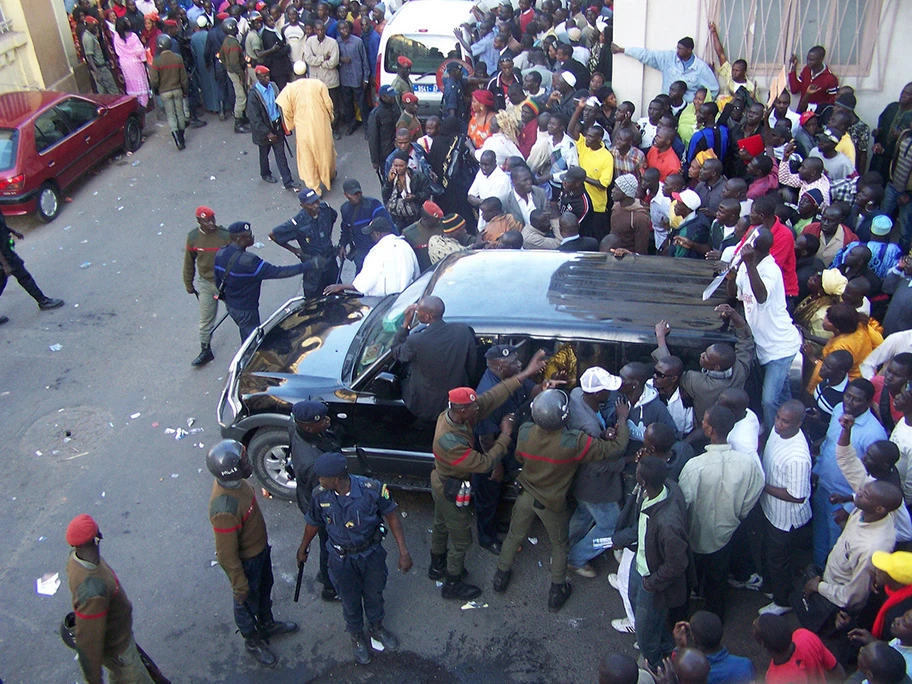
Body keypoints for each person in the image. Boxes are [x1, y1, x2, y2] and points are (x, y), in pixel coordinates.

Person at [494, 388, 629, 612]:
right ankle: (556, 592)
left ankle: (500, 577)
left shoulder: (526, 430)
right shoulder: (574, 441)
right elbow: (615, 448)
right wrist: (622, 420)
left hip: (526, 495)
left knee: (513, 536)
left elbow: (519, 457)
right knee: (560, 546)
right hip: (551, 503)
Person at [431, 352, 547, 600]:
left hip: (440, 482)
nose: (478, 409)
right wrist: (505, 434)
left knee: (441, 525)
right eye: (473, 408)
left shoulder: (457, 415)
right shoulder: (450, 441)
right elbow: (484, 463)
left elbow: (494, 396)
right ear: (462, 412)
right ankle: (452, 583)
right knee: (461, 540)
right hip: (451, 487)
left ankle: (436, 565)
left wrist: (526, 373)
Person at [296, 452, 411, 665]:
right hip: (341, 558)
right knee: (349, 599)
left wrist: (403, 552)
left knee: (374, 593)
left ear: (335, 479)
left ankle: (376, 627)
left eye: (322, 477)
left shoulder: (372, 490)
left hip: (371, 554)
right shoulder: (319, 495)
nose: (319, 481)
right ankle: (356, 635)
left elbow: (392, 517)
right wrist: (303, 547)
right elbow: (313, 522)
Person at [797, 414, 901, 627]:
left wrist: (818, 588)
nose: (857, 495)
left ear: (880, 508)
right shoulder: (871, 503)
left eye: (863, 496)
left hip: (837, 604)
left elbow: (853, 596)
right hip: (831, 576)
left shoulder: (873, 547)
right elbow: (847, 459)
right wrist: (846, 430)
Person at [206, 440, 298, 667]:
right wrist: (239, 584)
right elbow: (226, 554)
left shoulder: (238, 484)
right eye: (244, 461)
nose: (248, 464)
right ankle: (252, 640)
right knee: (246, 602)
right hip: (247, 563)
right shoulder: (225, 507)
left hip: (260, 552)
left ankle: (267, 623)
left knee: (265, 589)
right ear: (231, 469)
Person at [679, 405, 764, 621]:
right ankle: (715, 617)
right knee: (718, 577)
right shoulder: (747, 464)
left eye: (704, 422)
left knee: (692, 572)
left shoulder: (694, 466)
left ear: (709, 430)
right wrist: (739, 515)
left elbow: (683, 503)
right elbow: (755, 491)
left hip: (696, 534)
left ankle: (689, 605)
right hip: (726, 532)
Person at [616, 455, 691, 668]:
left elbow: (677, 564)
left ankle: (659, 667)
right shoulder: (659, 488)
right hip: (639, 565)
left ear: (643, 482)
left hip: (651, 577)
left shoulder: (668, 523)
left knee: (646, 639)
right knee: (634, 600)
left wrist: (652, 582)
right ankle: (668, 646)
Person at [65, 514, 157, 684]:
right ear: (96, 538)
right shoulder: (94, 590)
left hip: (119, 640)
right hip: (119, 651)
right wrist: (94, 680)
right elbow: (89, 643)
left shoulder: (76, 561)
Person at [727, 227, 802, 429]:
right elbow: (737, 295)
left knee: (769, 401)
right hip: (761, 344)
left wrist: (750, 264)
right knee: (782, 395)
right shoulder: (745, 267)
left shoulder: (771, 270)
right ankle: (797, 427)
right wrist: (732, 277)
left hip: (779, 346)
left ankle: (774, 438)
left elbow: (761, 297)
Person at [812, 378, 888, 566]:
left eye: (856, 399)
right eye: (848, 395)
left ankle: (828, 583)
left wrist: (849, 507)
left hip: (845, 498)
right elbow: (829, 444)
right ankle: (816, 570)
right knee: (819, 536)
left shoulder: (873, 433)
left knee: (836, 546)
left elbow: (873, 479)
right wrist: (816, 470)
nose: (849, 402)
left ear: (869, 402)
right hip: (823, 488)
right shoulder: (839, 409)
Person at [564, 367, 626, 577]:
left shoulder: (576, 394)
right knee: (610, 525)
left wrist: (604, 435)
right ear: (598, 394)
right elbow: (598, 465)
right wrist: (624, 463)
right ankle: (576, 558)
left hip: (578, 478)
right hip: (594, 484)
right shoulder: (589, 426)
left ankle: (566, 545)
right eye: (609, 390)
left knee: (583, 512)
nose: (612, 393)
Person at [756, 400, 812, 617]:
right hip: (771, 510)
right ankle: (771, 588)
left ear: (798, 423)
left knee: (779, 561)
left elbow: (797, 496)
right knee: (770, 555)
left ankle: (783, 600)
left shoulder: (797, 457)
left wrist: (763, 485)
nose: (779, 423)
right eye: (778, 417)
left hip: (785, 518)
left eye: (785, 421)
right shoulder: (778, 432)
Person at [214, 220, 316, 340]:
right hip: (246, 309)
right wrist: (309, 265)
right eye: (249, 235)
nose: (252, 237)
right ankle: (250, 356)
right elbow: (279, 272)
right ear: (238, 239)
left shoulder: (221, 253)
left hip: (231, 305)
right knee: (252, 340)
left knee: (246, 329)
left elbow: (218, 280)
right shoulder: (249, 262)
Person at [654, 304, 753, 425]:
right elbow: (746, 339)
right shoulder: (741, 369)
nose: (701, 354)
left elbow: (668, 368)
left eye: (706, 357)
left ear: (716, 367)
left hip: (702, 426)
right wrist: (733, 314)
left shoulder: (696, 381)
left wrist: (660, 336)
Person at [391, 295, 476, 422]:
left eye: (418, 311)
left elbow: (397, 352)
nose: (416, 312)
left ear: (427, 317)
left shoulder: (416, 340)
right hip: (458, 398)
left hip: (427, 404)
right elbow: (471, 363)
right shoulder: (463, 330)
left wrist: (406, 323)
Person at [287, 401, 340, 602]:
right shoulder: (312, 464)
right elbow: (322, 494)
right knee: (331, 544)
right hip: (321, 506)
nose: (328, 420)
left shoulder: (295, 426)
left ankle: (325, 573)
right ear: (308, 427)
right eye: (322, 420)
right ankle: (329, 586)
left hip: (309, 495)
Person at [276, 62, 337, 195]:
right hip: (321, 126)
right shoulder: (318, 84)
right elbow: (329, 105)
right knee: (326, 152)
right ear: (307, 72)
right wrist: (330, 118)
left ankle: (315, 189)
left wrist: (291, 123)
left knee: (307, 157)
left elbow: (286, 110)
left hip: (303, 129)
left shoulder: (290, 89)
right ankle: (328, 175)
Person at [269, 187, 339, 298]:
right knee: (314, 299)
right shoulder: (298, 223)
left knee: (337, 291)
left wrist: (327, 237)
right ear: (303, 206)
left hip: (330, 262)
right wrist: (295, 251)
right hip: (314, 267)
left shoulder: (325, 209)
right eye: (311, 204)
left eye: (316, 201)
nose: (316, 206)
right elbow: (273, 235)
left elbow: (333, 217)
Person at [324, 216, 418, 297]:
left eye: (372, 233)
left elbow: (364, 284)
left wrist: (340, 286)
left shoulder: (377, 253)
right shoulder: (406, 246)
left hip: (385, 304)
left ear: (378, 233)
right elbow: (417, 274)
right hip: (407, 299)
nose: (371, 236)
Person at [183, 205, 230, 367]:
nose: (211, 223)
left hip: (224, 282)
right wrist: (188, 283)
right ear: (199, 222)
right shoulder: (193, 237)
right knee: (205, 319)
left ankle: (252, 339)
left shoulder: (225, 236)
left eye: (212, 219)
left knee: (238, 312)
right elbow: (189, 262)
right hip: (205, 283)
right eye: (207, 221)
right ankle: (205, 350)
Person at [611, 36, 719, 101]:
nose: (678, 51)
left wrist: (699, 106)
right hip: (667, 105)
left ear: (689, 50)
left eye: (681, 49)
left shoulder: (700, 67)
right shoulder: (668, 58)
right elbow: (647, 55)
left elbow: (713, 89)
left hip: (687, 110)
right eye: (677, 47)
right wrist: (622, 50)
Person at [0, 215, 63, 324]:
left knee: (2, 280)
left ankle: (42, 300)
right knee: (23, 276)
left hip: (5, 253)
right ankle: (42, 301)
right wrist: (8, 259)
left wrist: (12, 232)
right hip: (4, 256)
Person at [753, 614, 845, 683]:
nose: (753, 623)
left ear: (763, 643)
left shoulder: (775, 678)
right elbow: (837, 671)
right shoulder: (805, 636)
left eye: (755, 628)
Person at [246, 65, 297, 189]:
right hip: (263, 130)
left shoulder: (273, 87)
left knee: (281, 155)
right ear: (258, 77)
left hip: (277, 125)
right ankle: (265, 173)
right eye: (264, 76)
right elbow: (254, 118)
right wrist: (267, 133)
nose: (267, 78)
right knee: (264, 153)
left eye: (268, 75)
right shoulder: (254, 95)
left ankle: (288, 180)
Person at [672, 610, 755, 684]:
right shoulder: (745, 665)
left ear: (695, 639)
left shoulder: (694, 674)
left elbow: (680, 672)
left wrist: (679, 649)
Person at [338, 179, 394, 273]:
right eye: (353, 194)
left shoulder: (373, 204)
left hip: (377, 249)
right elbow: (345, 230)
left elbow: (387, 225)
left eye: (358, 193)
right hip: (360, 252)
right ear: (346, 195)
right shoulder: (345, 209)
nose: (357, 196)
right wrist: (342, 245)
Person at [149, 34, 189, 150]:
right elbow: (184, 78)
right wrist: (185, 90)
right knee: (180, 113)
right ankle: (181, 137)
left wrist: (156, 90)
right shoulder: (178, 58)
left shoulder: (156, 61)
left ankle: (177, 140)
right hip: (177, 89)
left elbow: (154, 80)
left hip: (164, 91)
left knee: (171, 115)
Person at [303, 20, 341, 139]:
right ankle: (322, 129)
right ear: (314, 30)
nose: (320, 32)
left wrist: (318, 62)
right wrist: (323, 59)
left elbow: (333, 62)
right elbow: (308, 59)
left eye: (322, 29)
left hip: (330, 81)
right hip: (315, 81)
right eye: (318, 30)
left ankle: (335, 129)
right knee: (318, 107)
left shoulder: (332, 42)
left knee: (333, 107)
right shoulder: (309, 41)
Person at [382, 150, 432, 231]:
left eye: (401, 166)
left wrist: (415, 197)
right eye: (396, 165)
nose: (398, 168)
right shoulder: (392, 176)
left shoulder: (418, 176)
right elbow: (385, 195)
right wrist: (389, 182)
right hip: (398, 218)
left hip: (415, 217)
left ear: (407, 164)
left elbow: (427, 193)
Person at [336, 20, 369, 136]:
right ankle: (351, 124)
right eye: (342, 29)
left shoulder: (357, 42)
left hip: (357, 78)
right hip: (344, 78)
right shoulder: (337, 42)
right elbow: (334, 58)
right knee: (347, 104)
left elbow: (364, 60)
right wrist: (341, 59)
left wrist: (366, 78)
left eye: (346, 28)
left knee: (362, 104)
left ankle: (367, 127)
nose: (344, 31)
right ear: (339, 30)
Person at [219, 18, 250, 134]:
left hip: (231, 71)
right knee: (241, 97)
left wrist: (227, 66)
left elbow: (221, 55)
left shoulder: (226, 41)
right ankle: (238, 122)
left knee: (241, 94)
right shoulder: (233, 44)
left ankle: (242, 117)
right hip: (236, 72)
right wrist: (241, 74)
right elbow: (234, 62)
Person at [788, 45, 839, 114]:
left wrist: (817, 108)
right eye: (807, 59)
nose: (808, 62)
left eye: (811, 60)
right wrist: (793, 67)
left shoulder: (830, 79)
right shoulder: (806, 70)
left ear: (821, 59)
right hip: (802, 111)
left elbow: (833, 101)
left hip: (817, 116)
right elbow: (795, 89)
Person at [113, 17, 150, 109]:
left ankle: (135, 105)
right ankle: (143, 106)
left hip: (124, 64)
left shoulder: (116, 37)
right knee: (140, 86)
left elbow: (117, 51)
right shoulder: (133, 36)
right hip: (135, 64)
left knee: (131, 85)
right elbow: (139, 50)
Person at [82, 16, 120, 95]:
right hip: (100, 68)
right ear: (88, 25)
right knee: (113, 89)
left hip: (99, 68)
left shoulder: (89, 35)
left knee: (103, 92)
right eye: (93, 26)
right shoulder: (89, 38)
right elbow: (89, 57)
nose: (95, 28)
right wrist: (97, 72)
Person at [368, 85, 400, 177]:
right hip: (385, 155)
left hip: (396, 149)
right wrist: (375, 161)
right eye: (391, 96)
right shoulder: (376, 114)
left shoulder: (394, 106)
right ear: (383, 97)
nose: (393, 97)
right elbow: (373, 138)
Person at [884, 256, 912, 337]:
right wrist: (899, 268)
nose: (907, 265)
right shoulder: (904, 281)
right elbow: (887, 288)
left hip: (902, 339)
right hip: (886, 331)